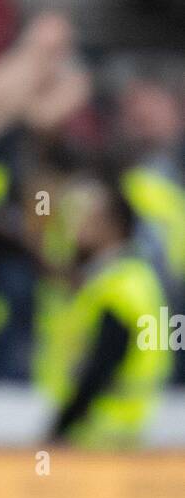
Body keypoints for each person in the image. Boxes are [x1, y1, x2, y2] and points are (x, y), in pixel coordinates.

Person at [40, 177, 173, 446]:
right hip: (124, 430)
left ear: (112, 226)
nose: (76, 226)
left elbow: (101, 365)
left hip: (99, 432)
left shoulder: (116, 287)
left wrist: (60, 427)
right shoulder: (135, 278)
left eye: (88, 218)